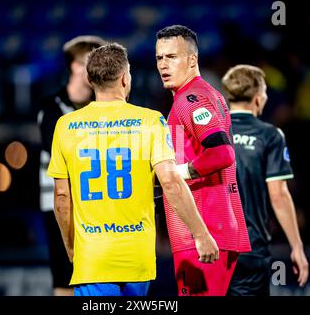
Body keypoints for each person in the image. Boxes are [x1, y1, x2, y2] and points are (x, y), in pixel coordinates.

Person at [47, 43, 217, 296]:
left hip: (93, 259)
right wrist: (201, 234)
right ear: (125, 78)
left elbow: (62, 198)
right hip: (137, 257)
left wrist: (70, 246)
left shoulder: (65, 126)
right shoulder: (151, 121)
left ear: (90, 80)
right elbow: (170, 183)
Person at [155, 25, 251, 296]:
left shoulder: (190, 100)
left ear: (192, 59)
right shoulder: (205, 94)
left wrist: (176, 173)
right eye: (159, 58)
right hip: (215, 227)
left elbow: (222, 153)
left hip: (203, 229)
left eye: (171, 57)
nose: (163, 64)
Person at [221, 64, 309, 295]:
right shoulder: (269, 136)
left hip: (211, 247)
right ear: (258, 99)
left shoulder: (211, 133)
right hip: (250, 248)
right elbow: (278, 195)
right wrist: (297, 247)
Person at [37, 35, 106, 296]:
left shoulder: (101, 106)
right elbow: (55, 149)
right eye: (92, 62)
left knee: (96, 278)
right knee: (65, 278)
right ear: (75, 66)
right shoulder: (51, 105)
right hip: (58, 203)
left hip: (94, 202)